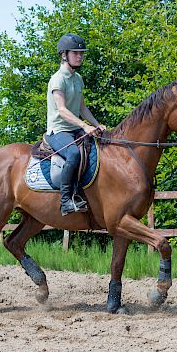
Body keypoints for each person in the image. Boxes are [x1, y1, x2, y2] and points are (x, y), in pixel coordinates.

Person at [46, 33, 106, 216]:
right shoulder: (58, 79)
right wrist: (85, 126)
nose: (80, 56)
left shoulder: (78, 78)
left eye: (81, 53)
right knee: (73, 153)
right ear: (64, 54)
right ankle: (65, 201)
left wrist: (97, 124)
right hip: (58, 130)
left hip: (75, 129)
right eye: (76, 53)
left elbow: (82, 107)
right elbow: (62, 110)